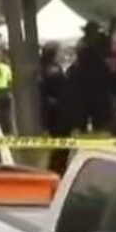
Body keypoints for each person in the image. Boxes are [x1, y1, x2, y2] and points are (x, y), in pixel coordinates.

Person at [40, 43, 72, 175]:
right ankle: (56, 172)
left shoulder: (47, 69)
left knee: (59, 150)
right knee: (60, 150)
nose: (62, 55)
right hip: (58, 118)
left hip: (54, 117)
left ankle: (56, 170)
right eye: (60, 52)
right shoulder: (53, 72)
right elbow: (59, 95)